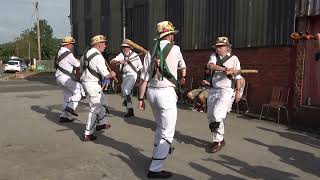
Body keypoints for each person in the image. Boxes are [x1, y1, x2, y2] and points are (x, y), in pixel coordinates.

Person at [138, 21, 187, 179]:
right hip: (166, 93)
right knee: (168, 131)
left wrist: (140, 98)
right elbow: (182, 66)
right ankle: (156, 168)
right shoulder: (176, 49)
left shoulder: (149, 53)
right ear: (171, 35)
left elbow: (143, 79)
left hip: (151, 93)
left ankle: (156, 156)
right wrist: (183, 76)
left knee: (160, 127)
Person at [207, 36, 242, 153]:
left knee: (217, 115)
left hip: (226, 90)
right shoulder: (214, 56)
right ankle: (218, 139)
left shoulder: (234, 59)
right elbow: (210, 66)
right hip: (213, 89)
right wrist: (224, 69)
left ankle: (218, 141)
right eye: (217, 47)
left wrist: (238, 92)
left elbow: (238, 78)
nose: (219, 49)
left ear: (227, 47)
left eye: (221, 46)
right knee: (211, 116)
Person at [80, 35, 116, 141]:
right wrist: (112, 73)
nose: (105, 46)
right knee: (95, 108)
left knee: (103, 100)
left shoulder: (85, 54)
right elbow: (105, 74)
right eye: (104, 43)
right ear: (99, 45)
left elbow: (81, 70)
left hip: (86, 83)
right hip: (93, 84)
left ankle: (101, 123)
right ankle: (88, 133)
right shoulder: (98, 56)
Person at [55, 36, 85, 123]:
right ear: (68, 44)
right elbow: (77, 65)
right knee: (80, 90)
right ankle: (71, 107)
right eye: (72, 44)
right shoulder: (68, 53)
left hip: (59, 77)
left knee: (67, 97)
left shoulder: (59, 52)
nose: (73, 46)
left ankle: (64, 116)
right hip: (65, 78)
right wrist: (78, 61)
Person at [110, 40, 143, 117]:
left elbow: (141, 67)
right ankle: (128, 101)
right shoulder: (121, 55)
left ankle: (130, 109)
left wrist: (141, 78)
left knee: (126, 90)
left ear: (130, 47)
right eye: (123, 47)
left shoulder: (135, 55)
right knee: (124, 91)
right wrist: (119, 62)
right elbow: (112, 62)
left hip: (132, 74)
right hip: (124, 75)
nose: (124, 48)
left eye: (126, 47)